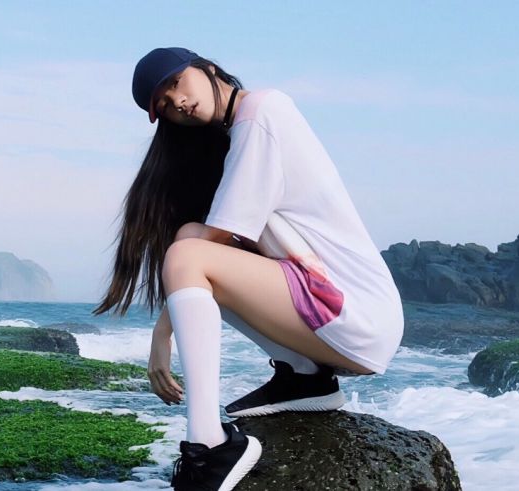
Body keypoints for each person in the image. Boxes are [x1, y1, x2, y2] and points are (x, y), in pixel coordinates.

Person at [92, 47, 404, 491]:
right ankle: (305, 377)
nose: (176, 103)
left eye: (176, 84)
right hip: (335, 312)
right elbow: (217, 240)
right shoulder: (240, 136)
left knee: (188, 252)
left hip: (359, 311)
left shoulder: (262, 110)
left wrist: (162, 334)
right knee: (188, 241)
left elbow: (220, 239)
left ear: (208, 68)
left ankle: (209, 448)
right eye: (162, 105)